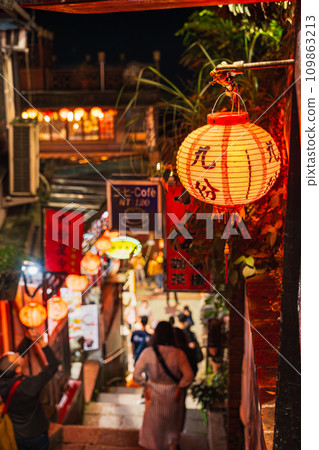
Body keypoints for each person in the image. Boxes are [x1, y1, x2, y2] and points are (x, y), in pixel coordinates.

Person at [133, 321, 194, 450]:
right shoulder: (179, 353)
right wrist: (179, 387)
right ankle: (171, 445)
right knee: (171, 426)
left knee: (154, 428)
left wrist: (146, 385)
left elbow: (136, 375)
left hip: (154, 392)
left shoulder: (148, 352)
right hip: (173, 393)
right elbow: (189, 376)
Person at [0, 329, 59, 450]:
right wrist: (42, 342)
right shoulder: (29, 386)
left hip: (18, 434)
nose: (17, 354)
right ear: (18, 370)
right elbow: (53, 365)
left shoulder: (2, 382)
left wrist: (28, 338)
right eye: (15, 356)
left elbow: (18, 354)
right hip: (36, 435)